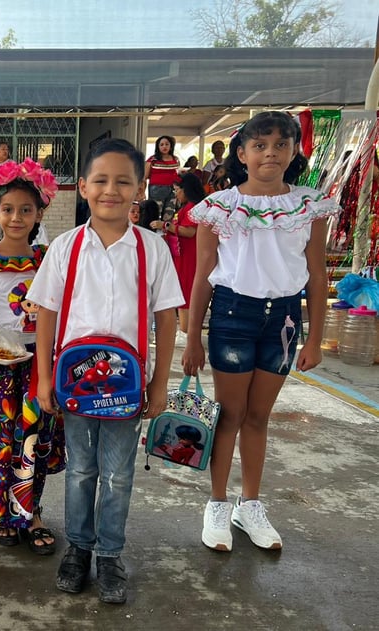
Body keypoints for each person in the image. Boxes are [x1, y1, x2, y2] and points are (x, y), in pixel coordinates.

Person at [28, 138, 183, 603]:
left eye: (123, 181)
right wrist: (44, 376)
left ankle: (110, 555)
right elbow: (47, 314)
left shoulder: (152, 249)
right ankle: (78, 548)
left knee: (118, 474)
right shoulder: (65, 247)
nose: (110, 190)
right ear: (83, 187)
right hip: (76, 383)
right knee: (80, 471)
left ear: (139, 189)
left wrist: (159, 383)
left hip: (127, 385)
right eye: (100, 180)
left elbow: (167, 317)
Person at [182, 111, 339, 553]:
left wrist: (314, 337)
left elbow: (316, 274)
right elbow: (203, 275)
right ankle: (216, 503)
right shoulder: (219, 207)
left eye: (281, 145)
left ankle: (249, 505)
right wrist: (192, 338)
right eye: (260, 145)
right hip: (233, 314)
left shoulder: (310, 205)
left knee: (258, 417)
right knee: (228, 415)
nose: (270, 153)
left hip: (285, 320)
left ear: (293, 151)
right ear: (242, 153)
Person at [0, 157, 66, 556]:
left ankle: (32, 510)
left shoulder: (46, 259)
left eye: (26, 210)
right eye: (8, 209)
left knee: (34, 438)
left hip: (39, 363)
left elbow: (53, 309)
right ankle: (2, 511)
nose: (17, 217)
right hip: (0, 367)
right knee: (1, 438)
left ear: (40, 212)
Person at [152, 173, 206, 343]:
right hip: (182, 255)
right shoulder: (189, 206)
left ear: (186, 189)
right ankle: (186, 330)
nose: (176, 194)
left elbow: (189, 232)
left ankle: (185, 331)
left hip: (188, 256)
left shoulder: (191, 208)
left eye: (177, 190)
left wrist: (165, 225)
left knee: (185, 292)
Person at [144, 135, 180, 212]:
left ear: (171, 146)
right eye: (161, 144)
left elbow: (177, 174)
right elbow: (145, 176)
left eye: (167, 144)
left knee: (169, 213)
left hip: (172, 190)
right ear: (158, 147)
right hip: (156, 190)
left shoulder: (176, 159)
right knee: (155, 213)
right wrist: (142, 191)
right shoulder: (152, 159)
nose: (164, 146)